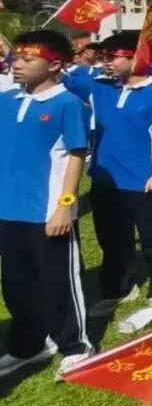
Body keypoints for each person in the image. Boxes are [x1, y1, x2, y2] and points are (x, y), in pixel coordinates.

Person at [64, 31, 152, 315]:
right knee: (111, 239)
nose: (106, 62)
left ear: (136, 57)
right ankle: (120, 288)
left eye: (112, 56)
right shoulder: (99, 88)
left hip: (143, 181)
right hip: (105, 180)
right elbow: (59, 77)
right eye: (104, 57)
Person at [0, 31, 93, 378]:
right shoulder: (6, 100)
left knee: (58, 279)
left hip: (46, 211)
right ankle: (29, 344)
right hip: (9, 211)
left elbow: (75, 156)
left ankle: (76, 343)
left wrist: (65, 205)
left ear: (54, 64)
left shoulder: (66, 104)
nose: (16, 64)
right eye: (16, 57)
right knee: (16, 283)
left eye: (27, 59)